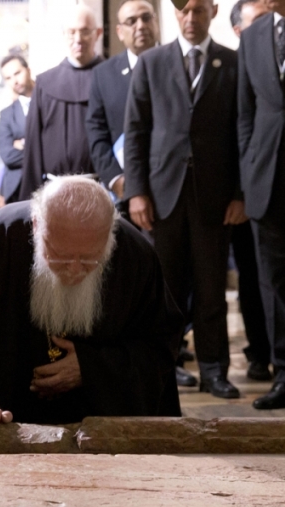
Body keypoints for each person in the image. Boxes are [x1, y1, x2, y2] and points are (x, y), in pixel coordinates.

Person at [0, 176, 182, 426]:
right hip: (2, 423)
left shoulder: (134, 257)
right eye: (60, 256)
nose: (74, 270)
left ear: (109, 237)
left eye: (90, 259)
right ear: (37, 226)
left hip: (100, 429)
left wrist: (93, 369)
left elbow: (159, 348)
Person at [125, 0, 245, 399]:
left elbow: (242, 133)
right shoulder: (151, 63)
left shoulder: (232, 63)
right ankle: (167, 364)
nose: (191, 18)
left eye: (198, 10)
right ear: (174, 15)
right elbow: (136, 132)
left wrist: (240, 193)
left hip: (214, 196)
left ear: (212, 11)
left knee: (212, 289)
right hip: (162, 195)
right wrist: (137, 192)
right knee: (166, 288)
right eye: (184, 10)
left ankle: (214, 370)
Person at [237, 0, 285, 408]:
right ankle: (284, 374)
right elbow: (245, 112)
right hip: (266, 183)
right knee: (275, 283)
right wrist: (249, 167)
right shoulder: (253, 35)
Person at [20, 5, 104, 200]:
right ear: (63, 34)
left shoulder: (112, 77)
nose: (78, 39)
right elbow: (33, 147)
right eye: (71, 32)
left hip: (102, 189)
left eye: (85, 31)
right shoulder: (45, 83)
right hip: (55, 192)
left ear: (97, 33)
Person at [86, 0, 159, 208]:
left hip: (173, 188)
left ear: (156, 22)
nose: (141, 25)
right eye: (131, 21)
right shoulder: (103, 74)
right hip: (124, 191)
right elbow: (96, 132)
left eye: (146, 18)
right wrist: (115, 178)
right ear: (119, 31)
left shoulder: (179, 63)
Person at [0, 54, 33, 206]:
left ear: (28, 70)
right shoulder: (6, 115)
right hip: (16, 190)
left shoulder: (48, 102)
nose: (15, 81)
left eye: (17, 73)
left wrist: (23, 144)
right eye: (8, 78)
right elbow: (7, 155)